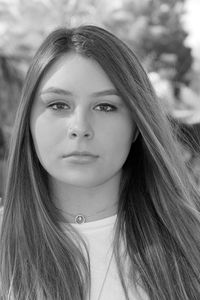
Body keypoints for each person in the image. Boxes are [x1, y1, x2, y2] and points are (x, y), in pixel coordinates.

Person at [0, 25, 200, 300]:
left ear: (137, 126)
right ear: (28, 121)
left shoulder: (191, 242)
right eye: (58, 105)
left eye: (105, 106)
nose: (80, 127)